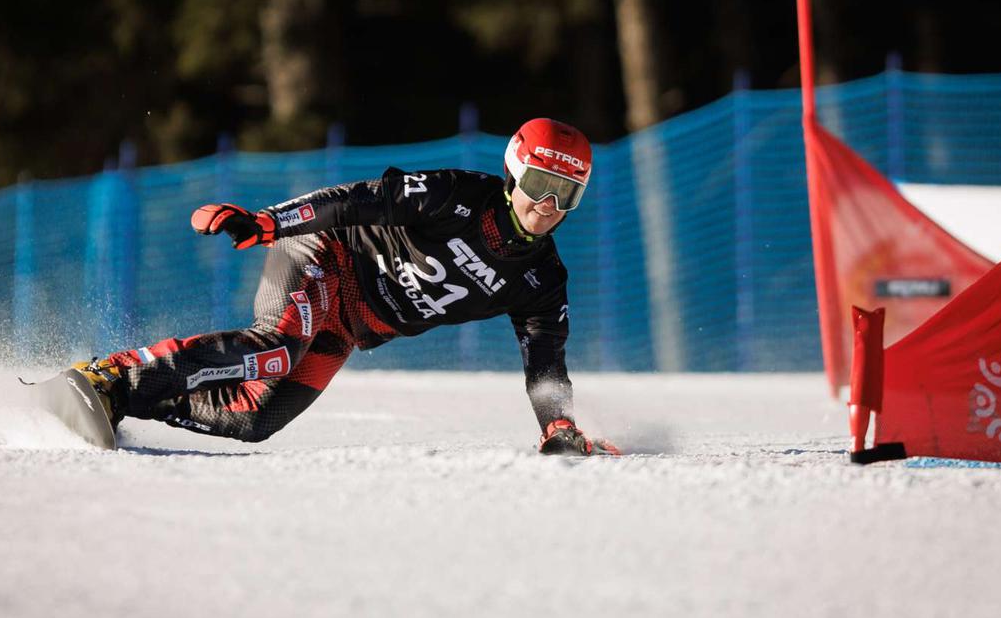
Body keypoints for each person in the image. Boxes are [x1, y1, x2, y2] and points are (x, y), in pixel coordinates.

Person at [74, 118, 618, 455]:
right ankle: (110, 377)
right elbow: (357, 199)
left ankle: (122, 402)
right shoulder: (457, 197)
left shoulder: (542, 279)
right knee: (276, 350)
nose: (547, 207)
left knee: (255, 418)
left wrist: (559, 425)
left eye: (566, 194)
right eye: (541, 185)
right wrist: (268, 223)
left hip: (349, 325)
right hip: (327, 255)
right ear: (514, 172)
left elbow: (546, 364)